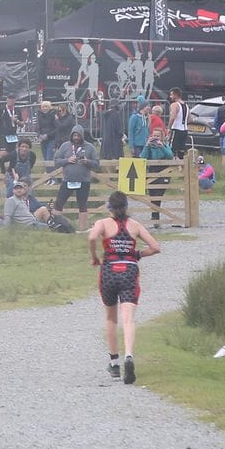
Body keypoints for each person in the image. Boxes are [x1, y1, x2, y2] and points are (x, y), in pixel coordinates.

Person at [87, 191, 160, 383]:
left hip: (109, 270)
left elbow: (92, 238)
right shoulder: (135, 225)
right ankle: (129, 355)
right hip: (129, 271)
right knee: (129, 319)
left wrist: (95, 257)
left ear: (108, 207)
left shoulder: (102, 223)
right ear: (126, 207)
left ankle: (114, 363)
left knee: (111, 318)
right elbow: (155, 247)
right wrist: (138, 254)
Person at [51, 124, 99, 229]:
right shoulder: (65, 146)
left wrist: (87, 161)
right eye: (74, 135)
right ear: (71, 135)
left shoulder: (90, 147)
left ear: (82, 136)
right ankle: (57, 225)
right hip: (67, 180)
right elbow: (56, 161)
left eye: (78, 135)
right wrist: (67, 160)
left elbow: (96, 163)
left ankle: (81, 228)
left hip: (84, 181)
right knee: (59, 203)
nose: (76, 138)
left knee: (82, 205)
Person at [144, 103, 174, 225]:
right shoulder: (150, 146)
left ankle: (155, 217)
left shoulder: (164, 145)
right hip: (152, 171)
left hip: (163, 172)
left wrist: (162, 146)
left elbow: (170, 156)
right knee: (152, 195)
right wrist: (147, 145)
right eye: (154, 136)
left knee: (158, 195)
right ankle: (155, 218)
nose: (156, 138)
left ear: (162, 137)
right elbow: (142, 157)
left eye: (158, 136)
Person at [167, 88, 189, 158]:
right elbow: (190, 119)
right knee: (181, 151)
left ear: (175, 95)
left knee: (171, 150)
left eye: (171, 95)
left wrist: (169, 128)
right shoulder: (186, 105)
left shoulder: (174, 105)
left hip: (176, 129)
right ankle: (181, 167)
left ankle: (170, 167)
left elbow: (173, 117)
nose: (170, 97)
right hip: (185, 130)